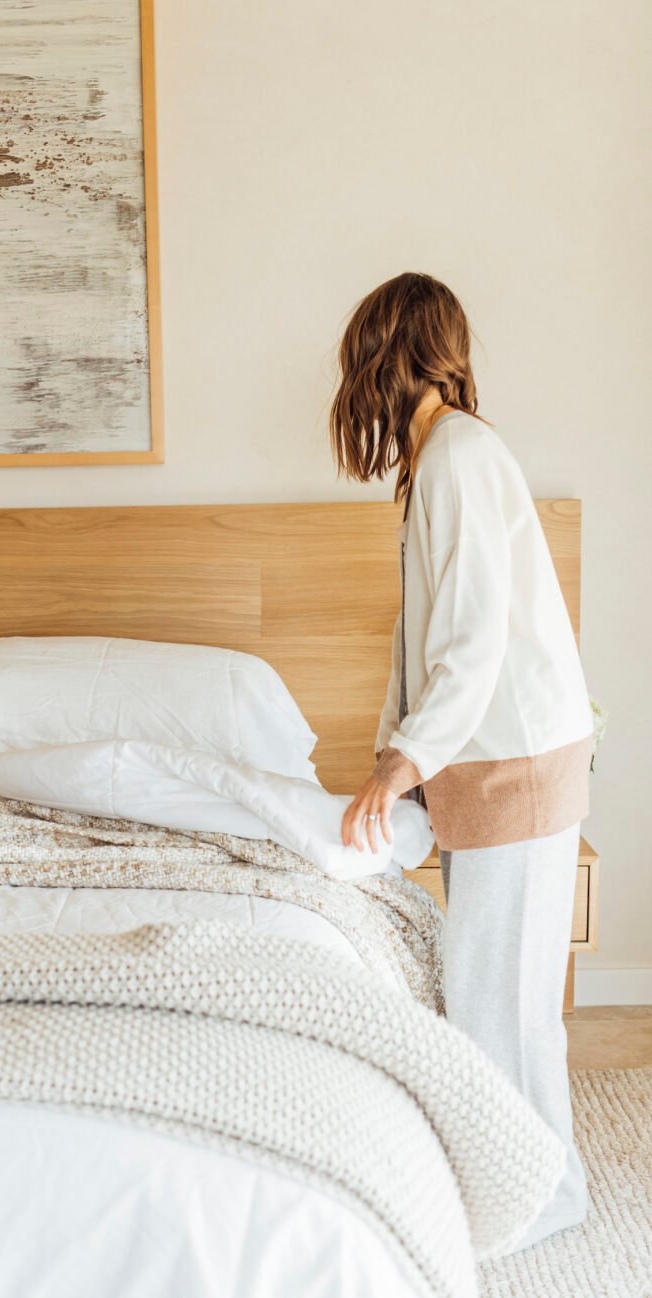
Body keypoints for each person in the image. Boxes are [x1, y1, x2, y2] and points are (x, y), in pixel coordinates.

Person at [331, 271, 594, 1251]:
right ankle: (533, 1180)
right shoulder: (443, 457)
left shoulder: (459, 457)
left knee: (503, 997)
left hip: (514, 765)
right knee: (490, 990)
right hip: (500, 766)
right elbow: (426, 633)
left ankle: (544, 1194)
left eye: (360, 353)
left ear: (388, 352)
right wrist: (392, 757)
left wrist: (396, 768)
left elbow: (473, 642)